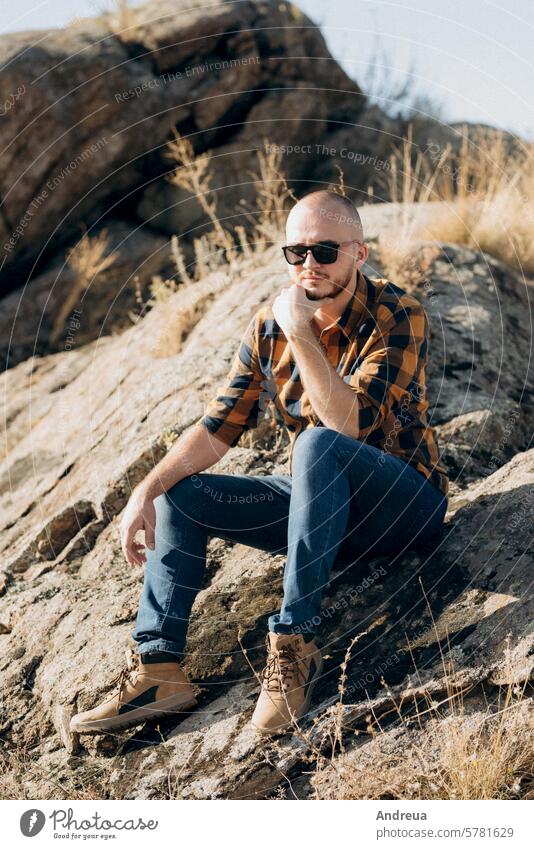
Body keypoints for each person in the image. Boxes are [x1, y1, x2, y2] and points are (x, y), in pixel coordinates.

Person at [70, 190, 449, 737]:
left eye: (324, 251)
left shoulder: (397, 314)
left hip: (404, 505)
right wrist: (145, 490)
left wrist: (301, 331)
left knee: (316, 445)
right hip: (322, 513)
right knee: (182, 491)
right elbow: (217, 427)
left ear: (359, 254)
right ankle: (160, 670)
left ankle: (293, 647)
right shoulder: (264, 328)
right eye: (295, 254)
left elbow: (348, 426)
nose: (308, 266)